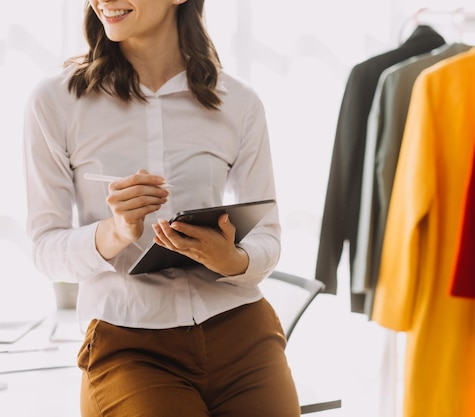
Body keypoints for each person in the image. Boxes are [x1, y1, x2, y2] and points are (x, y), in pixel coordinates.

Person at [22, 1, 300, 416]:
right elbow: (45, 249)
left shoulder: (238, 102)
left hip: (241, 329)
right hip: (128, 342)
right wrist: (114, 232)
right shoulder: (57, 101)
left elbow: (269, 236)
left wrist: (233, 258)